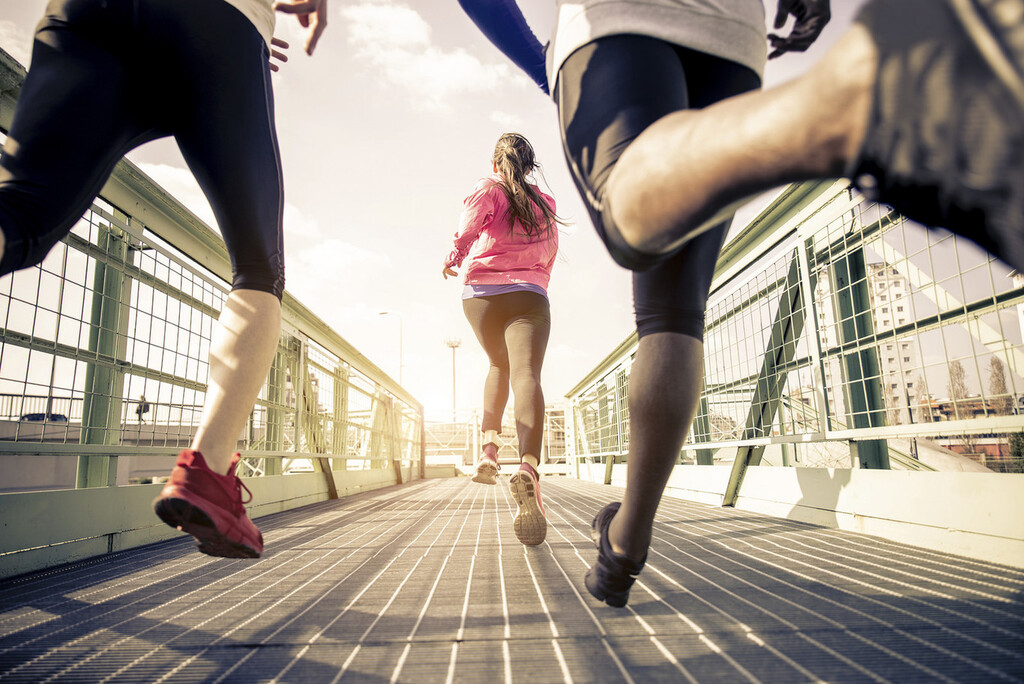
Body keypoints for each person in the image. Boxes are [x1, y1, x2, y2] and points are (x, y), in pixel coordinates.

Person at [457, 0, 830, 605]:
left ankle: (827, 117)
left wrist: (542, 62)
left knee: (632, 228)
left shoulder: (489, 191)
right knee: (674, 315)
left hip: (615, 29)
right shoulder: (545, 208)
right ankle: (625, 540)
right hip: (733, 38)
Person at [0, 0, 327, 558]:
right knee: (257, 267)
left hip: (88, 14)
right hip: (215, 21)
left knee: (22, 220)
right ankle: (208, 471)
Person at [443, 132, 560, 546]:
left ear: (497, 163)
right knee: (526, 374)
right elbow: (548, 255)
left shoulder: (488, 188)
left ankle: (489, 450)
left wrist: (454, 257)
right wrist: (533, 280)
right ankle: (528, 467)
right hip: (529, 294)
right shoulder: (545, 204)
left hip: (481, 296)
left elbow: (469, 227)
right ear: (530, 167)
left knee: (498, 365)